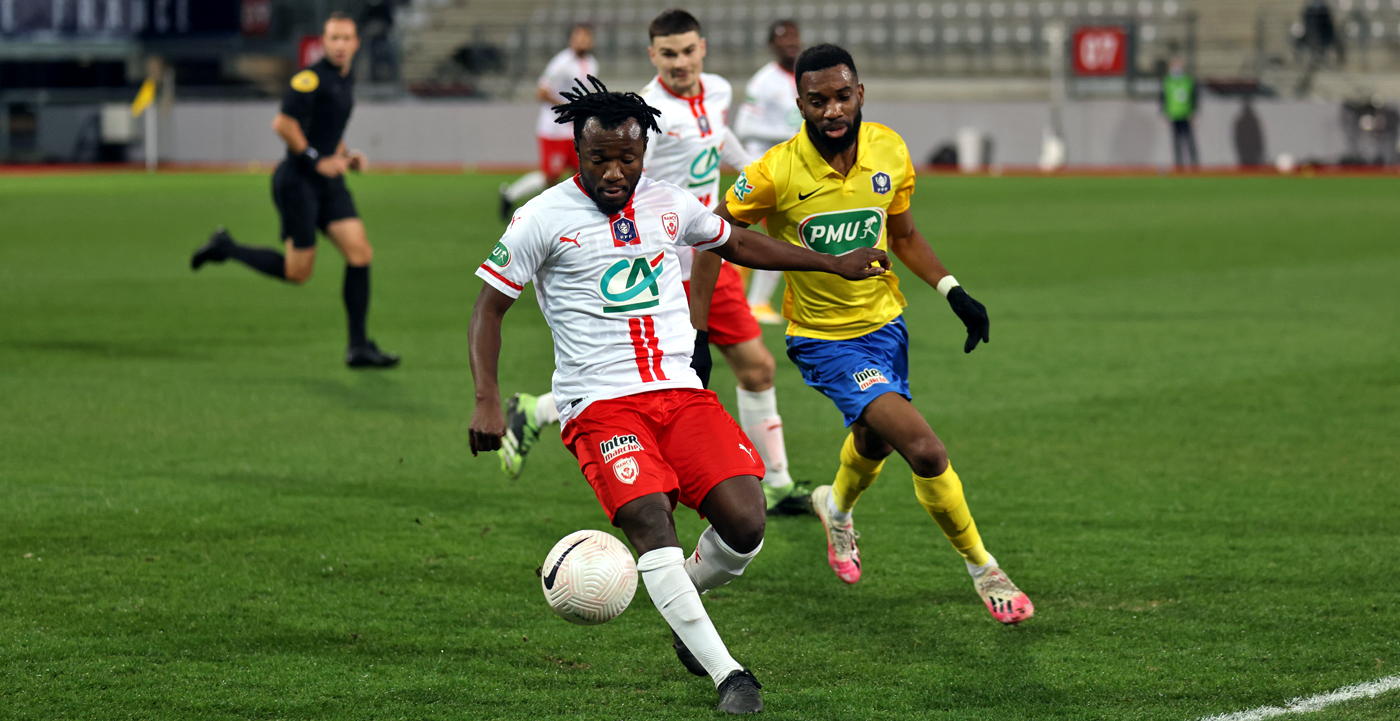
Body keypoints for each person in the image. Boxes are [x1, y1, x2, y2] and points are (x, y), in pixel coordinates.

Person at [467, 76, 888, 713]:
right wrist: (487, 400)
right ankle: (729, 675)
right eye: (599, 158)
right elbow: (488, 310)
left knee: (747, 524)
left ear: (644, 153)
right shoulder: (541, 217)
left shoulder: (669, 202)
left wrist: (831, 261)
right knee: (649, 518)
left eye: (626, 158)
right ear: (578, 153)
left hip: (679, 393)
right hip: (599, 404)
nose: (614, 171)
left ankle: (680, 596)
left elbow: (737, 242)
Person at [716, 44, 1035, 625]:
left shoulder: (890, 149)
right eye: (818, 101)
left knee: (875, 440)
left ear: (859, 94)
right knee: (924, 449)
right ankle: (984, 568)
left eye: (842, 96)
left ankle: (834, 509)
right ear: (800, 105)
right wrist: (696, 325)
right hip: (822, 339)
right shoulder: (775, 171)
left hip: (887, 326)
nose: (832, 110)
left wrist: (953, 291)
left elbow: (905, 234)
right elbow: (719, 234)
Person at [498, 9, 811, 517]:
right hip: (665, 271)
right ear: (653, 56)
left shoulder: (718, 91)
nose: (680, 62)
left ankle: (775, 482)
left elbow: (718, 140)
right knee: (654, 384)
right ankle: (549, 415)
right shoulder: (649, 119)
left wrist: (758, 174)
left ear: (702, 49)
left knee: (757, 367)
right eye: (668, 54)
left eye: (688, 51)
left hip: (712, 254)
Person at [190, 13, 398, 368]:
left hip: (328, 181)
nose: (341, 45)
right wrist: (317, 159)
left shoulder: (345, 80)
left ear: (356, 43)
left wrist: (347, 155)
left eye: (347, 38)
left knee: (360, 253)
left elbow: (327, 129)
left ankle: (358, 347)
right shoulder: (309, 79)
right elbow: (283, 124)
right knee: (297, 272)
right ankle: (226, 247)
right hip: (298, 181)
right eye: (334, 38)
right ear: (324, 41)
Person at [735, 19, 804, 326]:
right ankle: (754, 302)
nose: (789, 42)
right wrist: (787, 132)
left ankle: (754, 299)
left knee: (785, 235)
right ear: (772, 45)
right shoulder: (762, 81)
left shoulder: (805, 76)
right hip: (763, 169)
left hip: (789, 170)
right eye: (782, 38)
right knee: (779, 235)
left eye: (793, 36)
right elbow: (743, 126)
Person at [498, 24, 597, 221]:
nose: (582, 42)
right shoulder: (561, 62)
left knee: (585, 170)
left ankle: (584, 216)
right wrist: (565, 108)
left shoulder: (592, 63)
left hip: (573, 130)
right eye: (578, 38)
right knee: (550, 176)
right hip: (553, 129)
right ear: (571, 40)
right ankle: (510, 195)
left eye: (586, 38)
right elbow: (541, 92)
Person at [1162, 56, 1199, 170]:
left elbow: (1194, 97)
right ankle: (1179, 163)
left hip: (1186, 114)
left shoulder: (1188, 81)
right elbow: (1164, 98)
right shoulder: (1167, 82)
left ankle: (1194, 163)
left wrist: (1193, 111)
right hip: (1174, 115)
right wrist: (1165, 113)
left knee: (1189, 140)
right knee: (1176, 141)